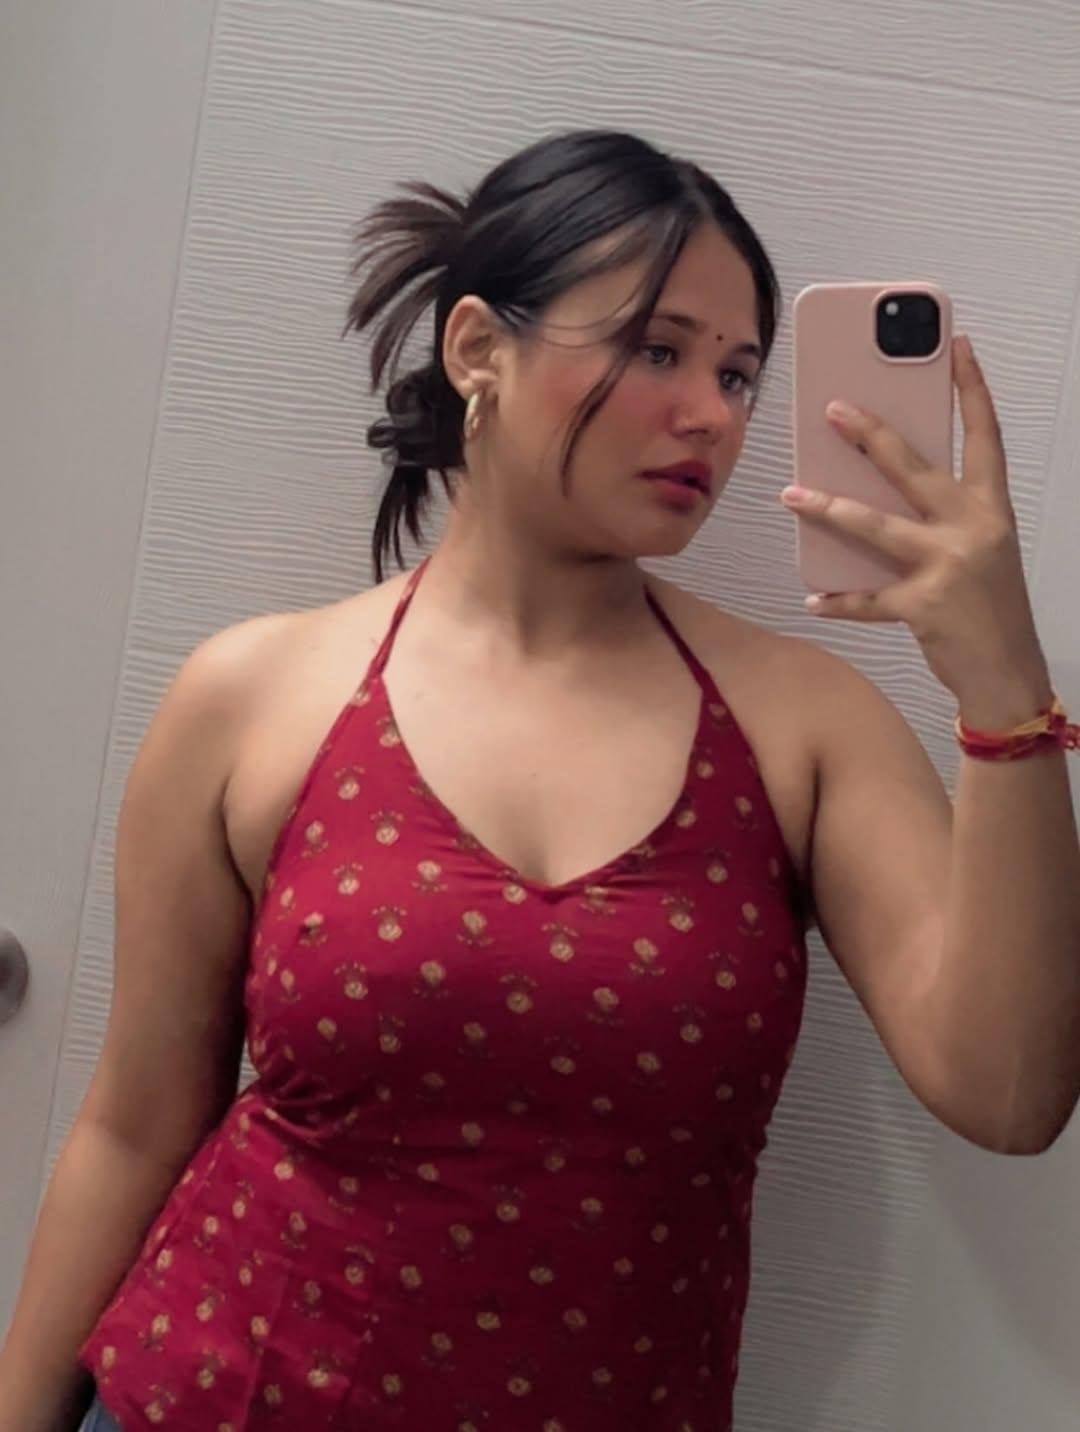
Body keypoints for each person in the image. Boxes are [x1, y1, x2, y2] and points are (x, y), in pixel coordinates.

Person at [5, 126, 1060, 1432]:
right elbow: (132, 1128)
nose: (713, 414)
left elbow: (1010, 1093)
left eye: (738, 372)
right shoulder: (255, 697)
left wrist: (1005, 692)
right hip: (214, 1396)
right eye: (656, 349)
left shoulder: (804, 728)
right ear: (476, 351)